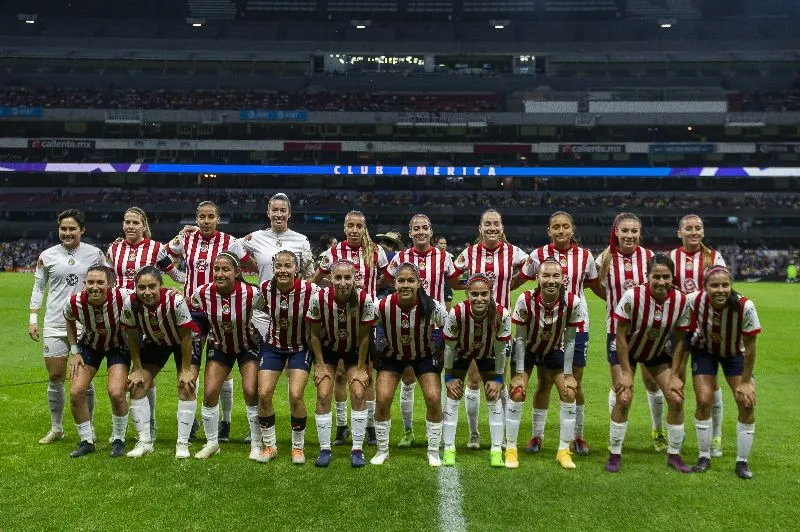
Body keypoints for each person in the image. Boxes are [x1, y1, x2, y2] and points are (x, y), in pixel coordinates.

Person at [518, 211, 601, 456]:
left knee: (575, 382)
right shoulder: (538, 256)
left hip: (577, 325)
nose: (561, 230)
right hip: (546, 327)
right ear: (549, 230)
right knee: (544, 382)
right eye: (556, 226)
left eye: (565, 226)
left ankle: (578, 435)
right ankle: (537, 436)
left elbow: (594, 286)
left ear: (572, 229)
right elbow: (519, 279)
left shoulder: (585, 256)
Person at [606, 254, 693, 473]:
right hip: (629, 350)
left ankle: (674, 454)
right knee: (623, 397)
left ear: (673, 277)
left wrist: (675, 376)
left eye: (666, 277)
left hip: (657, 352)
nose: (661, 282)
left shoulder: (682, 301)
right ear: (647, 276)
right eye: (656, 276)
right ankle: (614, 453)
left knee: (675, 398)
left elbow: (682, 340)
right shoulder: (632, 296)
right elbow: (621, 336)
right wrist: (626, 372)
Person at [451, 209, 528, 449]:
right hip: (474, 324)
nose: (492, 227)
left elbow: (529, 270)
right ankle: (474, 434)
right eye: (487, 224)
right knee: (473, 380)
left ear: (502, 227)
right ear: (480, 228)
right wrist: (471, 288)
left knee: (499, 379)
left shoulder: (513, 251)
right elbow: (453, 278)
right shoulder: (470, 252)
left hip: (500, 323)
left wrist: (511, 284)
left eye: (496, 223)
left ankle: (502, 435)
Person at [107, 206, 186, 442]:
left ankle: (151, 425)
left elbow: (176, 275)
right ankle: (126, 427)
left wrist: (184, 288)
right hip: (119, 314)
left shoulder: (156, 248)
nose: (130, 226)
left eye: (135, 222)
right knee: (128, 372)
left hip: (146, 315)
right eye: (127, 222)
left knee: (143, 370)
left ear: (144, 225)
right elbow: (107, 277)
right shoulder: (114, 248)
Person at [673, 266, 761, 479]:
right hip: (705, 352)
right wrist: (677, 372)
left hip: (734, 354)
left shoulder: (744, 306)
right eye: (714, 285)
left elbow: (750, 347)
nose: (720, 290)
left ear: (731, 285)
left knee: (746, 402)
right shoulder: (693, 300)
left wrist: (746, 381)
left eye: (725, 285)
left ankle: (742, 462)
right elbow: (682, 337)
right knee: (703, 401)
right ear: (705, 287)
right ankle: (704, 456)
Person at [311, 211, 389, 446]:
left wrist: (371, 295)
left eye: (359, 226)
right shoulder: (333, 253)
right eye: (350, 226)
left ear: (364, 228)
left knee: (366, 373)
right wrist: (336, 288)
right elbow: (317, 279)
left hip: (366, 318)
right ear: (345, 228)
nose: (354, 230)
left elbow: (387, 277)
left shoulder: (376, 250)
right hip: (337, 317)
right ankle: (342, 427)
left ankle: (371, 427)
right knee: (341, 374)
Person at [29, 209, 106, 445]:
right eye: (64, 228)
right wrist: (33, 318)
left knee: (84, 380)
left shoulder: (95, 254)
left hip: (85, 323)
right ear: (58, 230)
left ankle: (89, 427)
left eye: (72, 228)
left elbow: (107, 283)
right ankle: (57, 428)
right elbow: (39, 287)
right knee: (55, 376)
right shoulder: (47, 255)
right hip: (54, 322)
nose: (67, 232)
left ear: (82, 230)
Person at [383, 215, 457, 449]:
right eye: (416, 229)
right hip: (408, 324)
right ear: (410, 232)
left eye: (425, 228)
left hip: (435, 325)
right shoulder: (401, 258)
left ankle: (439, 430)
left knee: (434, 380)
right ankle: (408, 431)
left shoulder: (444, 257)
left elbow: (454, 282)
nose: (421, 232)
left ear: (431, 231)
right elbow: (387, 280)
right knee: (407, 379)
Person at [594, 213, 665, 452]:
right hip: (616, 332)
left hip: (647, 332)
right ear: (616, 232)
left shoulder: (649, 258)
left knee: (652, 382)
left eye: (634, 231)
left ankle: (658, 431)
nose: (629, 235)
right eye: (625, 231)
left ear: (639, 233)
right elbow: (596, 286)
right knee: (621, 386)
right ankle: (616, 439)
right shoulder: (604, 259)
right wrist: (615, 305)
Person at [506, 258, 586, 469]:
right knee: (516, 391)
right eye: (546, 275)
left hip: (553, 349)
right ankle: (511, 449)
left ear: (563, 279)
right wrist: (519, 372)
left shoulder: (573, 302)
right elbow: (520, 339)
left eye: (555, 276)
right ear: (537, 278)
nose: (551, 280)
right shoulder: (525, 299)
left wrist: (568, 373)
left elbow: (569, 339)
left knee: (569, 392)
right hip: (528, 350)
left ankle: (563, 450)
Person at [167, 201, 236, 442]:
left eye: (211, 217)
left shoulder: (229, 242)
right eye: (202, 217)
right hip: (193, 312)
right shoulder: (186, 238)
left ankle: (225, 422)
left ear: (218, 219)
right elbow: (162, 256)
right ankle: (189, 424)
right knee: (189, 364)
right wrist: (181, 278)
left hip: (218, 311)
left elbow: (248, 264)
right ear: (196, 219)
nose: (206, 221)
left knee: (223, 368)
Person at [371, 263, 447, 467]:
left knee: (433, 398)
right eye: (401, 280)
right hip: (392, 356)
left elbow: (447, 328)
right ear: (394, 283)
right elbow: (368, 328)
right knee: (383, 399)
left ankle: (432, 450)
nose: (405, 285)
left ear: (419, 283)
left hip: (423, 355)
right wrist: (374, 353)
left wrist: (439, 352)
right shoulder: (382, 305)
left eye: (410, 281)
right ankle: (382, 449)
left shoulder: (432, 305)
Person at [121, 267, 200, 459]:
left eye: (152, 287)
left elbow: (186, 336)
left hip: (184, 342)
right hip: (157, 342)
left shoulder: (175, 300)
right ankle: (145, 442)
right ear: (135, 288)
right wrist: (137, 368)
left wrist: (186, 370)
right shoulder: (130, 303)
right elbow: (131, 336)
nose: (147, 293)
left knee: (186, 385)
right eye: (142, 288)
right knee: (137, 385)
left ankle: (182, 443)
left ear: (161, 286)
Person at [191, 253, 263, 460]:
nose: (219, 274)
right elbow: (194, 314)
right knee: (210, 392)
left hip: (248, 346)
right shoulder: (202, 293)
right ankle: (212, 443)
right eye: (216, 269)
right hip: (220, 346)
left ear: (237, 272)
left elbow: (265, 318)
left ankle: (257, 443)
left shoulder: (252, 293)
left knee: (250, 391)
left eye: (225, 269)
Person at [306, 260, 376, 467]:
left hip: (355, 351)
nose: (343, 282)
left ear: (355, 279)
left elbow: (365, 337)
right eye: (338, 277)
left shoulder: (365, 300)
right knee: (323, 393)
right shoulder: (318, 298)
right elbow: (314, 335)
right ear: (330, 278)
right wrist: (319, 364)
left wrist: (362, 368)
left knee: (358, 391)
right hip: (328, 351)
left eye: (348, 277)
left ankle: (357, 449)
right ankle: (325, 449)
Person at [669, 214, 727, 457]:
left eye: (698, 228)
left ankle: (715, 436)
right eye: (689, 228)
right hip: (678, 327)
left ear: (703, 232)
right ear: (679, 232)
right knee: (676, 380)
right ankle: (674, 434)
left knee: (710, 383)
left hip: (706, 328)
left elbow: (723, 287)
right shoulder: (671, 258)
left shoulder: (714, 257)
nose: (694, 232)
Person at [442, 273, 511, 467]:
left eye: (484, 294)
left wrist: (498, 379)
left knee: (493, 394)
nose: (479, 298)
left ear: (491, 294)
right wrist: (448, 377)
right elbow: (448, 347)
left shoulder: (501, 314)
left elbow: (500, 349)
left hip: (488, 352)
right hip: (461, 352)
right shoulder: (457, 313)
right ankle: (449, 447)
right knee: (453, 393)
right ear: (467, 294)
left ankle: (496, 449)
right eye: (474, 294)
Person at [256, 250, 317, 465]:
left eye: (288, 266)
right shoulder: (264, 289)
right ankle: (269, 446)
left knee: (296, 395)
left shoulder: (310, 290)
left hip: (300, 347)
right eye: (279, 266)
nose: (283, 270)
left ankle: (297, 448)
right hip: (272, 346)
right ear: (273, 268)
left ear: (296, 269)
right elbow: (257, 310)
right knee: (263, 394)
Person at [63, 266, 130, 458]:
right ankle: (86, 441)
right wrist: (74, 351)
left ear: (110, 285)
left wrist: (173, 290)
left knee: (116, 392)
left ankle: (119, 440)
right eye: (90, 282)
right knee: (76, 392)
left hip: (118, 346)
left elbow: (149, 294)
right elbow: (68, 319)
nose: (94, 287)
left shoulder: (123, 296)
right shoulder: (74, 301)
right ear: (84, 283)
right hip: (90, 345)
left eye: (100, 282)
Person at [435, 236, 455, 313]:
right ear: (436, 245)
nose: (444, 245)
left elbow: (452, 273)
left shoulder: (449, 256)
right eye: (441, 243)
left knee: (447, 309)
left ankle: (446, 324)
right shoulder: (430, 257)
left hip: (446, 287)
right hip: (435, 286)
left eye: (445, 243)